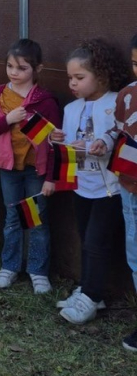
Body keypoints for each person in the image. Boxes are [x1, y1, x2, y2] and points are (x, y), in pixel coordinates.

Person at [50, 38, 131, 325]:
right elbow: (69, 143)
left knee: (97, 242)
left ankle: (92, 295)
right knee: (86, 240)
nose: (72, 83)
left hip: (109, 188)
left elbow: (121, 136)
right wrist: (56, 139)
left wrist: (104, 142)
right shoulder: (71, 109)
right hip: (81, 186)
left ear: (103, 75)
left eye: (79, 77)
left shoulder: (116, 102)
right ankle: (87, 290)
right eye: (69, 77)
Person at [0, 39, 61, 294]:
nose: (14, 72)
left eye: (22, 68)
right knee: (13, 218)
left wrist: (51, 177)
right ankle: (10, 266)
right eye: (10, 66)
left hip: (36, 170)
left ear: (37, 69)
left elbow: (56, 143)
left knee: (37, 219)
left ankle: (37, 271)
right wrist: (7, 119)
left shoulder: (45, 101)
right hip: (7, 169)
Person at [103, 33, 137, 349]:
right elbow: (117, 129)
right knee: (136, 255)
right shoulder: (127, 95)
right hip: (130, 186)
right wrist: (106, 140)